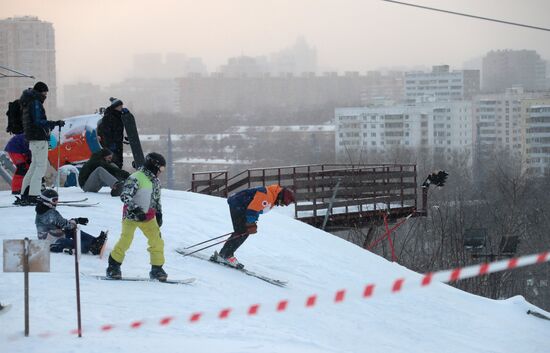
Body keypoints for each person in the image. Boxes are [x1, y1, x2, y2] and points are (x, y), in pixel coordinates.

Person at [106, 152, 167, 281]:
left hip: (149, 217)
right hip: (132, 216)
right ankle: (113, 266)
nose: (161, 172)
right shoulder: (136, 177)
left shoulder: (155, 181)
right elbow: (125, 196)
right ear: (153, 165)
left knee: (157, 242)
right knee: (126, 240)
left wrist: (159, 213)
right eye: (161, 168)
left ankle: (157, 269)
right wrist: (136, 210)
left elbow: (156, 198)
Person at [211, 185, 296, 269]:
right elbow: (252, 210)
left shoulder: (271, 194)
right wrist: (250, 223)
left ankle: (225, 254)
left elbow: (256, 208)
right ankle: (225, 255)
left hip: (240, 205)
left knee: (242, 231)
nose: (280, 205)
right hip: (238, 204)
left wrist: (252, 222)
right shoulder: (267, 196)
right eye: (281, 203)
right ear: (280, 197)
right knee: (242, 231)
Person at [19, 82, 65, 206]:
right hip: (39, 138)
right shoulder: (35, 102)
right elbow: (39, 121)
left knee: (34, 166)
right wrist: (54, 123)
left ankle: (25, 193)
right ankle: (33, 195)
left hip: (32, 138)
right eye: (45, 92)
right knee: (40, 167)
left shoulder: (28, 101)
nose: (46, 95)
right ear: (41, 91)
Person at [35, 188, 107, 255]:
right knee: (72, 240)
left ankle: (94, 241)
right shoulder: (51, 214)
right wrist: (76, 221)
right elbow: (67, 225)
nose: (57, 202)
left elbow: (62, 223)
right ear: (47, 201)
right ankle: (91, 246)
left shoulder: (42, 211)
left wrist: (76, 220)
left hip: (52, 236)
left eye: (57, 199)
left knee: (72, 231)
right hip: (53, 242)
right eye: (54, 200)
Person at [97, 97, 126, 168]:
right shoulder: (108, 117)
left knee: (118, 163)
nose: (121, 108)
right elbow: (106, 133)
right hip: (111, 146)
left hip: (117, 144)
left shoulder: (118, 116)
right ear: (115, 107)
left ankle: (118, 176)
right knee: (114, 164)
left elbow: (118, 131)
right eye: (120, 106)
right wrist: (110, 144)